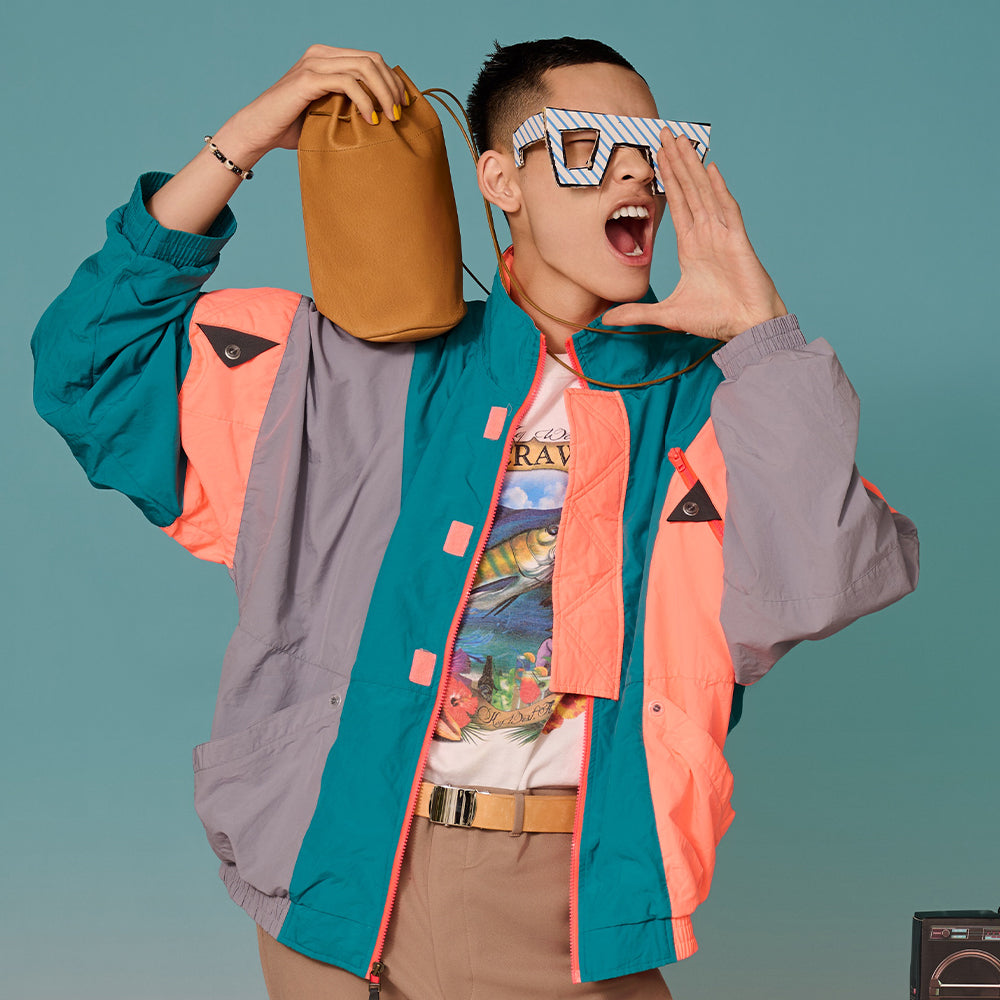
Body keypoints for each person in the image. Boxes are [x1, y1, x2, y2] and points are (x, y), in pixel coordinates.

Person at [31, 37, 919, 1000]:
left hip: (566, 898)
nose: (633, 170)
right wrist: (238, 143)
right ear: (501, 180)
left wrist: (760, 331)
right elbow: (89, 369)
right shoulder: (346, 370)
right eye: (585, 144)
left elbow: (828, 578)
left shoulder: (714, 405)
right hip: (338, 870)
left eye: (654, 147)